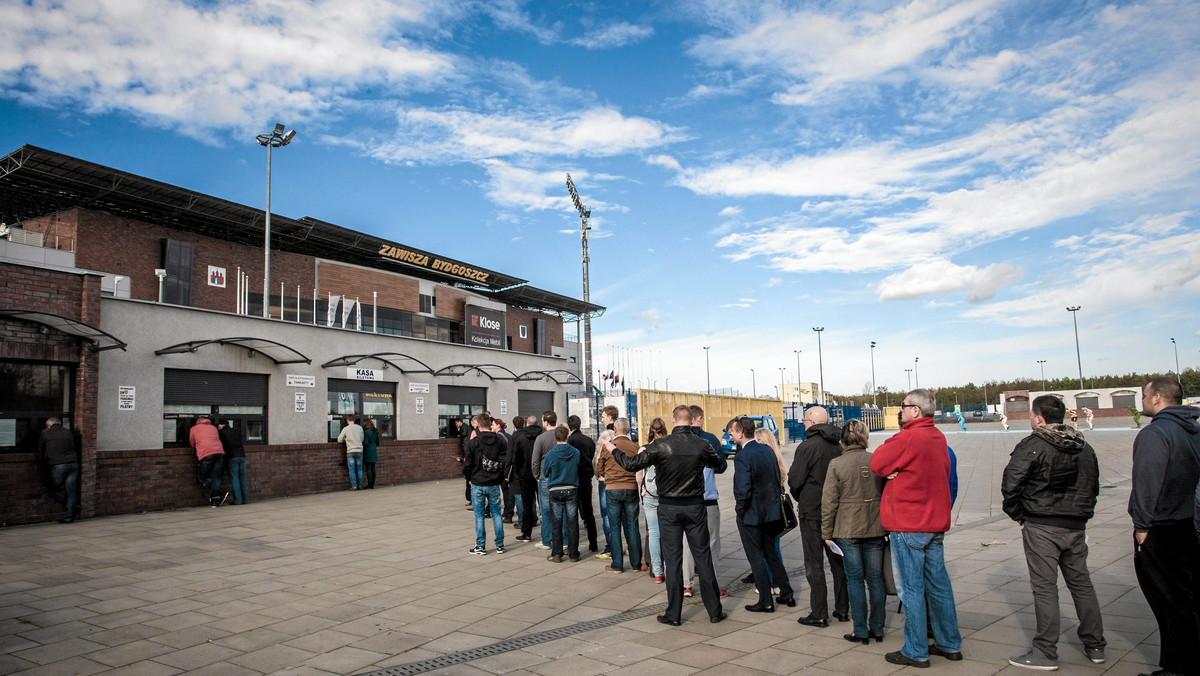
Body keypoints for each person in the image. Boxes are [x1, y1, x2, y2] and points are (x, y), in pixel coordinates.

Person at [1002, 395, 1106, 670]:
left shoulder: (1034, 445)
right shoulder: (1083, 446)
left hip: (1042, 524)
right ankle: (1095, 643)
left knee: (1045, 587)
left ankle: (1046, 651)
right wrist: (1082, 513)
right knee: (1081, 583)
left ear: (1038, 417)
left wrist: (1020, 514)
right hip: (1075, 524)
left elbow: (1011, 483)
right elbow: (1093, 485)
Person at [610, 405, 728, 626]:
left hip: (669, 507)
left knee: (673, 561)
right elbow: (720, 465)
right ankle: (714, 611)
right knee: (703, 558)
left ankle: (673, 614)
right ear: (692, 420)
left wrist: (613, 449)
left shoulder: (660, 445)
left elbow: (631, 464)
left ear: (673, 420)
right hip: (695, 506)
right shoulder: (702, 444)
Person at [871, 389, 962, 667]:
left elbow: (877, 462)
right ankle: (949, 643)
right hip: (934, 523)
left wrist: (893, 469)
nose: (900, 410)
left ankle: (915, 649)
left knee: (910, 588)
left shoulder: (910, 437)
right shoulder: (937, 437)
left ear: (915, 411)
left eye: (903, 406)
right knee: (939, 585)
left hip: (909, 523)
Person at [1129, 377, 1200, 676]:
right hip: (1187, 524)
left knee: (1169, 603)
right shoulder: (1192, 430)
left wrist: (1142, 526)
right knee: (1186, 599)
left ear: (1157, 398)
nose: (1142, 401)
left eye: (1145, 395)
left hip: (1161, 528)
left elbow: (1146, 484)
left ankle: (1178, 667)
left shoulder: (1155, 434)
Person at [822, 419, 886, 644]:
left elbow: (829, 502)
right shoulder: (876, 461)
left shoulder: (837, 464)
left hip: (847, 529)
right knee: (876, 580)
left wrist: (826, 533)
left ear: (843, 439)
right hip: (875, 527)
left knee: (855, 580)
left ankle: (860, 629)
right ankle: (877, 628)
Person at [788, 405, 848, 627]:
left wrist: (801, 496)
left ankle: (819, 612)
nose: (802, 423)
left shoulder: (807, 447)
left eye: (804, 420)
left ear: (812, 423)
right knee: (838, 562)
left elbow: (794, 480)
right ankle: (842, 609)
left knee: (814, 564)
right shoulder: (839, 446)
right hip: (835, 511)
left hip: (812, 511)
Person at [729, 416, 793, 613]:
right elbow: (775, 479)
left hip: (752, 514)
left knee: (756, 556)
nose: (730, 435)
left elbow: (743, 488)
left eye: (731, 432)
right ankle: (787, 592)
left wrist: (740, 510)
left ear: (740, 433)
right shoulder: (766, 449)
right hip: (770, 512)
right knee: (771, 553)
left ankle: (765, 599)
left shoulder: (743, 456)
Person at [682, 404, 727, 597]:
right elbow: (722, 465)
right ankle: (713, 584)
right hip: (707, 499)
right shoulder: (709, 440)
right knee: (712, 543)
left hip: (686, 500)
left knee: (688, 545)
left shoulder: (678, 440)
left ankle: (687, 584)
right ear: (697, 419)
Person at [596, 418, 642, 573]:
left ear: (615, 430)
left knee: (615, 527)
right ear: (628, 430)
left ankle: (617, 564)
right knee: (632, 525)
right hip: (631, 489)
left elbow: (599, 468)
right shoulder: (635, 446)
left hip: (612, 489)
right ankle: (636, 563)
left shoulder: (609, 447)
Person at [463, 413, 509, 556]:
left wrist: (469, 477)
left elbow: (467, 464)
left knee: (479, 515)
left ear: (477, 424)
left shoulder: (473, 443)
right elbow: (505, 459)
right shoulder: (500, 441)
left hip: (477, 482)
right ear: (490, 424)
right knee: (496, 513)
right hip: (494, 482)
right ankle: (500, 545)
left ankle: (480, 545)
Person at [543, 424, 581, 562]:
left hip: (555, 489)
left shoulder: (550, 455)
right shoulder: (576, 452)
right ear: (567, 436)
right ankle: (573, 553)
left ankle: (557, 553)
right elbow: (577, 466)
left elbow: (545, 472)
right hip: (571, 488)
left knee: (556, 522)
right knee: (572, 522)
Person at [639, 417, 669, 583]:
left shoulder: (645, 449)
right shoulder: (669, 447)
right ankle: (669, 568)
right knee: (668, 534)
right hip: (666, 495)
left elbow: (638, 477)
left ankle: (657, 572)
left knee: (654, 534)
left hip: (649, 495)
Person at [567, 415, 600, 552]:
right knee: (588, 512)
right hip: (586, 478)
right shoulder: (588, 440)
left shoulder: (570, 441)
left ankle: (573, 545)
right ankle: (593, 543)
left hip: (575, 478)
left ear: (570, 427)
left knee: (572, 513)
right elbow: (594, 459)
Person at [38, 418, 79, 523]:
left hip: (59, 464)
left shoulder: (45, 433)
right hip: (74, 463)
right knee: (71, 491)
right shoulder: (68, 432)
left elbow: (41, 449)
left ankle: (71, 507)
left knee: (52, 489)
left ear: (48, 425)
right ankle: (69, 515)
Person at [530, 411, 559, 550]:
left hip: (544, 477)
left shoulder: (541, 438)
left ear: (546, 422)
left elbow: (535, 460)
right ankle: (563, 539)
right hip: (560, 477)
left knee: (546, 511)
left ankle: (547, 540)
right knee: (561, 510)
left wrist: (536, 475)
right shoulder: (562, 436)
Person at [510, 414, 540, 541]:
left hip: (525, 475)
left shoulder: (521, 438)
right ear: (538, 424)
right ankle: (548, 534)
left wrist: (518, 473)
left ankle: (526, 533)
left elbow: (515, 458)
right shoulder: (542, 436)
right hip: (540, 475)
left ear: (526, 424)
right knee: (544, 505)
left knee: (527, 505)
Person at [595, 405, 620, 559]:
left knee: (606, 514)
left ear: (610, 417)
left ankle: (610, 546)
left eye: (603, 415)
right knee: (621, 515)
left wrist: (598, 474)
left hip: (606, 479)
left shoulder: (605, 435)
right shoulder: (622, 434)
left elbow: (597, 458)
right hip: (621, 478)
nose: (602, 418)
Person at [190, 416, 227, 507]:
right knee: (216, 477)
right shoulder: (213, 428)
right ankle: (215, 499)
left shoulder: (194, 429)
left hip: (206, 454)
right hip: (219, 452)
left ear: (198, 422)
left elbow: (192, 442)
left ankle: (219, 492)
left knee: (202, 477)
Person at [217, 420, 248, 504]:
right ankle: (245, 499)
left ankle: (238, 500)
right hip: (242, 456)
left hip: (232, 457)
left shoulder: (222, 433)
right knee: (242, 479)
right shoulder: (236, 431)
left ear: (220, 425)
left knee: (234, 479)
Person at [337, 416, 365, 490]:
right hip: (359, 450)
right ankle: (360, 485)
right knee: (359, 469)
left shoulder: (346, 429)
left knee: (351, 469)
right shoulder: (360, 428)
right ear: (354, 420)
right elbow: (362, 439)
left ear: (347, 420)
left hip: (351, 450)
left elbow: (339, 439)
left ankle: (354, 486)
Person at [361, 418, 379, 490]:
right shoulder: (375, 431)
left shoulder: (367, 432)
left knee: (368, 468)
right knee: (373, 468)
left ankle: (370, 484)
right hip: (374, 450)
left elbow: (365, 442)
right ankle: (373, 484)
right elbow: (378, 442)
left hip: (368, 450)